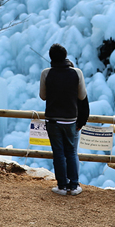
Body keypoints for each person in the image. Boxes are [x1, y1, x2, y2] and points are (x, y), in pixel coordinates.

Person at [39, 44, 89, 196]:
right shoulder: (76, 73)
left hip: (52, 119)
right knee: (71, 152)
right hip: (70, 120)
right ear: (66, 55)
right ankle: (74, 186)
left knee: (58, 153)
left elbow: (43, 96)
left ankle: (61, 186)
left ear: (50, 57)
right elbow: (82, 96)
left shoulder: (46, 73)